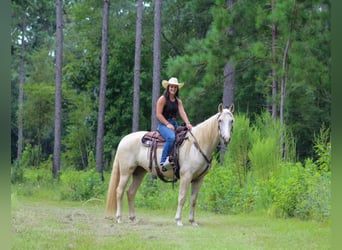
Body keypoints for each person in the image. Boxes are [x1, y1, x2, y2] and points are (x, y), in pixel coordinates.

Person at [156, 77, 192, 171]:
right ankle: (163, 162)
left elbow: (182, 112)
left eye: (175, 87)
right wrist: (167, 124)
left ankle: (179, 160)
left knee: (186, 135)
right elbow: (158, 114)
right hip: (163, 124)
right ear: (168, 87)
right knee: (171, 137)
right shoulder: (162, 99)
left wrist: (187, 123)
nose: (173, 89)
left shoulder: (178, 101)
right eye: (171, 87)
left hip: (174, 123)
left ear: (177, 89)